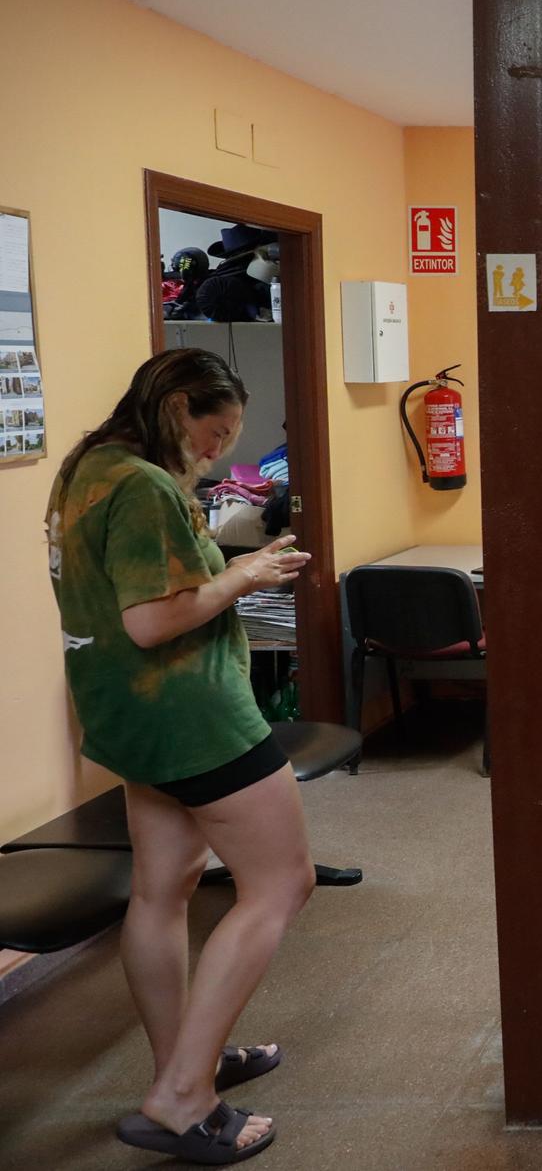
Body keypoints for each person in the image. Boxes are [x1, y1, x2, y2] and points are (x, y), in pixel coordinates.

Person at [46, 349, 314, 1163]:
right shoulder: (144, 487)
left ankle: (185, 1060)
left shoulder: (88, 468)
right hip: (192, 714)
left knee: (165, 888)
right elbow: (154, 621)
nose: (216, 451)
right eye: (212, 432)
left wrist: (221, 560)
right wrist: (252, 570)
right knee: (281, 882)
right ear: (173, 408)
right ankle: (183, 1094)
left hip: (126, 714)